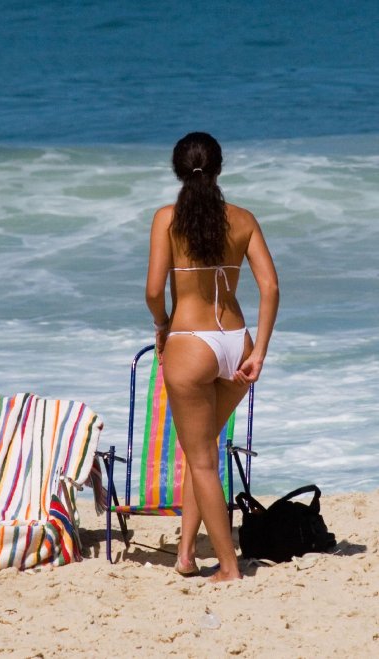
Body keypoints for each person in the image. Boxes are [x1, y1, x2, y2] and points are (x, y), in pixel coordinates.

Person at [145, 132, 279, 582]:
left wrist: (163, 325)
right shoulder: (242, 218)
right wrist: (259, 351)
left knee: (201, 458)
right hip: (236, 343)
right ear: (219, 168)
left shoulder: (167, 218)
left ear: (178, 170)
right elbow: (270, 287)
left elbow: (151, 290)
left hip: (191, 343)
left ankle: (227, 567)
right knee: (200, 450)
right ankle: (185, 553)